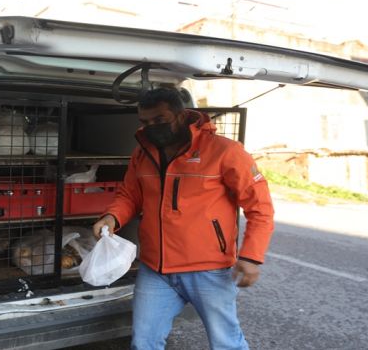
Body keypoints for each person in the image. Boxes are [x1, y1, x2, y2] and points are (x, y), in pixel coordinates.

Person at [92, 87, 274, 350]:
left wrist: (251, 256)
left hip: (209, 269)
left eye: (160, 120)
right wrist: (112, 217)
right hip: (155, 270)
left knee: (226, 343)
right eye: (145, 122)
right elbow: (130, 194)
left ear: (182, 115)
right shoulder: (142, 153)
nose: (151, 127)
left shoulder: (225, 151)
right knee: (143, 343)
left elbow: (260, 207)